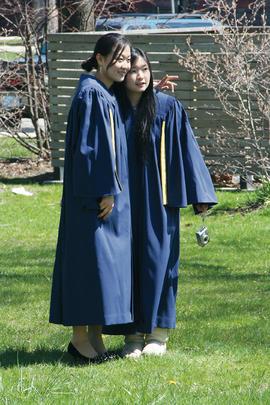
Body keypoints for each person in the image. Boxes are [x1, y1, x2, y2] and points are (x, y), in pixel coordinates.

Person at [104, 48, 218, 357]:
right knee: (125, 265)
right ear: (121, 74)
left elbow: (187, 150)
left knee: (159, 263)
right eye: (132, 71)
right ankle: (130, 335)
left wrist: (200, 196)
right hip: (122, 201)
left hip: (159, 201)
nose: (139, 76)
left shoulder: (168, 107)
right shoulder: (111, 106)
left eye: (144, 69)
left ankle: (157, 333)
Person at [49, 33, 133, 362]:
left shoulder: (104, 93)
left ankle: (95, 338)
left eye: (127, 59)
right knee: (88, 266)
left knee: (102, 269)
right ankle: (79, 339)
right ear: (99, 58)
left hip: (102, 198)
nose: (124, 65)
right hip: (92, 200)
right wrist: (106, 191)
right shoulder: (91, 94)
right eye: (119, 58)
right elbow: (89, 152)